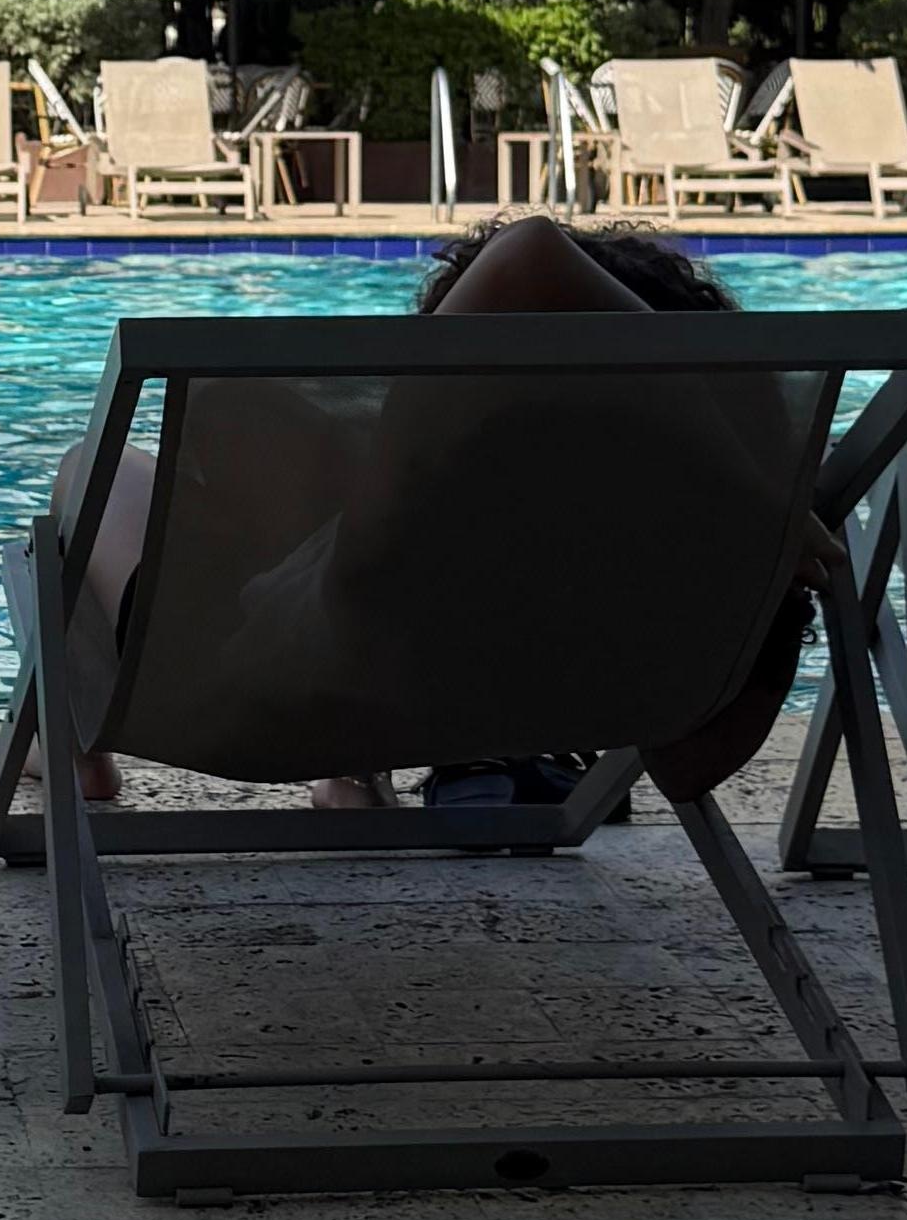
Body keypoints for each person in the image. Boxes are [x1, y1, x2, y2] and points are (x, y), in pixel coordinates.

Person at [68, 211, 816, 822]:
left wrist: (748, 497)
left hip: (258, 706)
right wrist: (754, 515)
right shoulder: (688, 572)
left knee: (92, 470)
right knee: (262, 441)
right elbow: (688, 771)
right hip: (435, 686)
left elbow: (526, 250)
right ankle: (346, 778)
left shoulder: (412, 511)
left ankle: (69, 747)